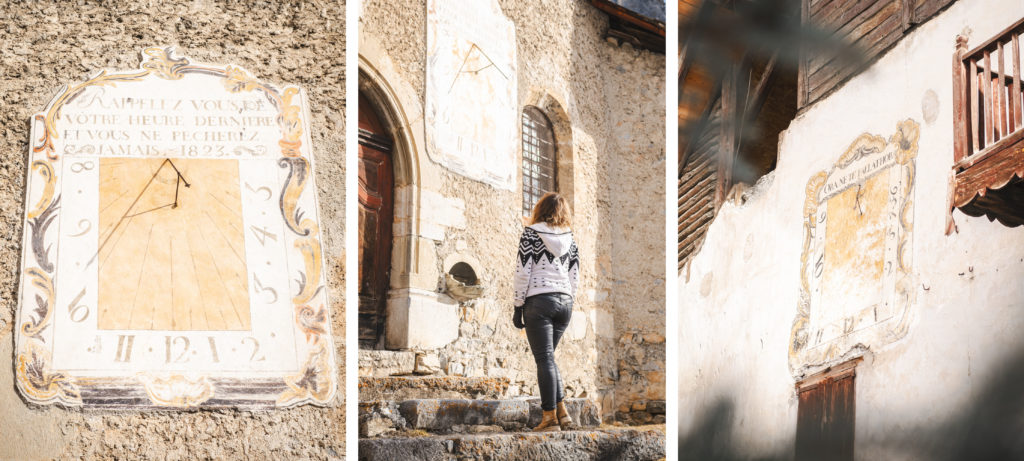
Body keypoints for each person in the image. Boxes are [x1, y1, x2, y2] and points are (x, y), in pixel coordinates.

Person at [512, 192, 581, 432]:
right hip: (565, 302)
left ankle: (549, 418)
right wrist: (567, 300)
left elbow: (523, 270)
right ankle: (562, 414)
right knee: (549, 357)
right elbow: (575, 276)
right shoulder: (570, 238)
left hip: (539, 301)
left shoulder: (531, 233)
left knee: (544, 359)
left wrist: (517, 305)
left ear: (540, 209)